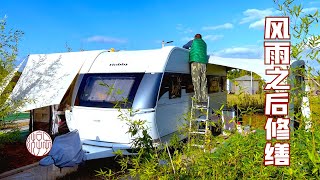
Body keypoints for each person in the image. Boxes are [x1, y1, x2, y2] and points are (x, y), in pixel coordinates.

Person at [183, 34, 208, 107]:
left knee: (196, 81)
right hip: (203, 63)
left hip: (195, 62)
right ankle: (204, 101)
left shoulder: (193, 41)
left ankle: (198, 102)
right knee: (203, 82)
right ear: (201, 38)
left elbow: (185, 46)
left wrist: (190, 50)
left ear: (195, 38)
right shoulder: (204, 43)